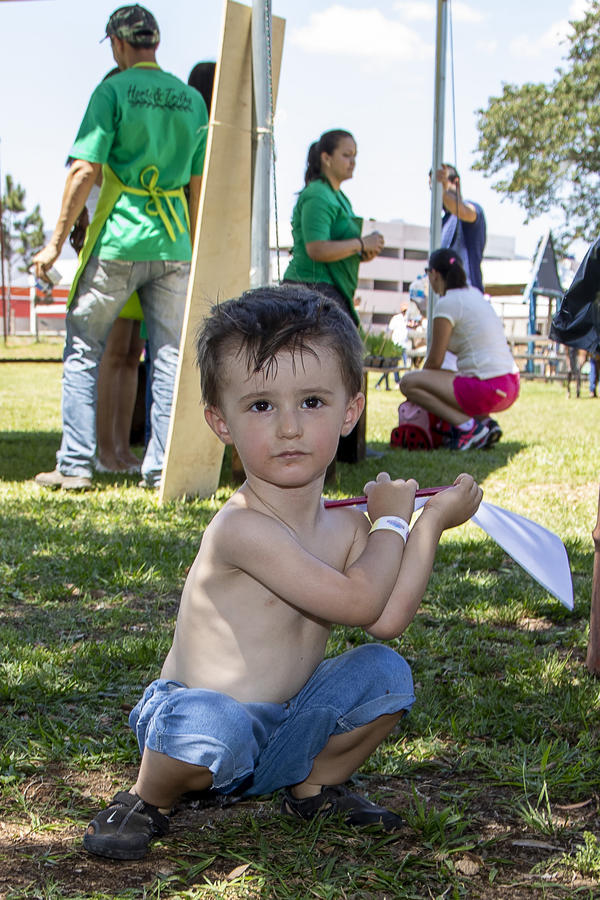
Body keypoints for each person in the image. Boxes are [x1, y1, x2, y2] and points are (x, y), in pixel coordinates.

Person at [82, 284, 482, 861]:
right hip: (199, 727)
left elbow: (388, 619)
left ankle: (313, 785)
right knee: (212, 720)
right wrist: (393, 526)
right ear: (221, 422)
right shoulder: (242, 528)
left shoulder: (346, 529)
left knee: (386, 674)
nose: (290, 427)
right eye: (262, 405)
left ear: (351, 409)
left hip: (284, 727)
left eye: (313, 402)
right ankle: (147, 797)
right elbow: (359, 602)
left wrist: (429, 524)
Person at [32, 4, 208, 491]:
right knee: (169, 356)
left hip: (119, 238)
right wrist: (190, 247)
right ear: (155, 42)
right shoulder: (191, 99)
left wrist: (53, 245)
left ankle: (75, 465)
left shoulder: (111, 90)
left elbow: (83, 169)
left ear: (117, 44)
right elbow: (198, 184)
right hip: (174, 240)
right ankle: (159, 471)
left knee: (85, 347)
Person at [399, 249, 519, 450]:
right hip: (510, 385)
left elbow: (434, 362)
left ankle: (469, 427)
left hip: (488, 388)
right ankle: (485, 423)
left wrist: (423, 388)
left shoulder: (447, 304)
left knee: (408, 383)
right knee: (446, 379)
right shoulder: (474, 294)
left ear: (434, 274)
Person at [283, 129, 384, 324]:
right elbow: (317, 249)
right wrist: (361, 244)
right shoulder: (318, 194)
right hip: (308, 290)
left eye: (355, 156)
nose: (352, 162)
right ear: (326, 158)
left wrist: (363, 252)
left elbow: (338, 247)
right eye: (346, 155)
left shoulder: (339, 197)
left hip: (327, 290)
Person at [434, 164, 486, 293]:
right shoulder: (440, 223)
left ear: (456, 183)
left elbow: (463, 210)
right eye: (434, 189)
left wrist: (444, 192)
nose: (437, 195)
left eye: (443, 187)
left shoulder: (472, 209)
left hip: (469, 295)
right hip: (447, 297)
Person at [375, 306, 408, 390]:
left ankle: (398, 382)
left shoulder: (406, 319)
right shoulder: (396, 318)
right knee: (392, 366)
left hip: (403, 345)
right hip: (395, 346)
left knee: (403, 365)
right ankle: (396, 382)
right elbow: (390, 331)